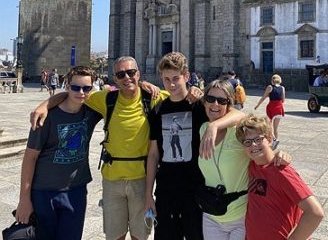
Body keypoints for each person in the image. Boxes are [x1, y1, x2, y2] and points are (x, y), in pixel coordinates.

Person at [30, 56, 202, 240]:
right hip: (112, 180)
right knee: (115, 236)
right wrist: (45, 105)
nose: (127, 77)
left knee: (140, 235)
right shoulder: (106, 99)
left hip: (141, 180)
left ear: (138, 74)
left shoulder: (154, 97)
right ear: (115, 78)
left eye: (131, 72)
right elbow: (77, 93)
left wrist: (196, 90)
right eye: (121, 74)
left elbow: (185, 96)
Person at [145, 52, 244, 240]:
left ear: (187, 77)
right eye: (166, 79)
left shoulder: (200, 106)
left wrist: (214, 125)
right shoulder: (158, 110)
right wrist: (148, 194)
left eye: (176, 78)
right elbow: (153, 154)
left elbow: (239, 115)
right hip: (166, 190)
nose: (171, 84)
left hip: (196, 191)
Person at [16, 66, 102, 239]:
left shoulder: (92, 112)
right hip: (43, 192)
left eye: (86, 88)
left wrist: (146, 85)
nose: (81, 93)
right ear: (67, 86)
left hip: (76, 191)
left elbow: (117, 93)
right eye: (76, 87)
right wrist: (24, 200)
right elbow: (30, 158)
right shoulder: (46, 117)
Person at [198, 80, 291, 240]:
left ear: (229, 104)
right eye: (210, 99)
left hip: (239, 216)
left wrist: (280, 154)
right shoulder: (203, 129)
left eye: (222, 101)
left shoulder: (238, 132)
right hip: (211, 215)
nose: (215, 104)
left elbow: (245, 118)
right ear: (204, 101)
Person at [236, 115, 324, 240]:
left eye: (258, 139)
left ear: (270, 139)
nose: (253, 145)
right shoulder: (253, 167)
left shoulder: (281, 171)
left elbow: (315, 212)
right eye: (247, 142)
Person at [254, 74, 285, 150]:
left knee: (268, 126)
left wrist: (257, 105)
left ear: (272, 80)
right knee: (275, 128)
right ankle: (274, 143)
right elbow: (283, 100)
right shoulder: (282, 88)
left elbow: (263, 97)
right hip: (280, 107)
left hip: (272, 107)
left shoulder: (270, 87)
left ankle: (274, 140)